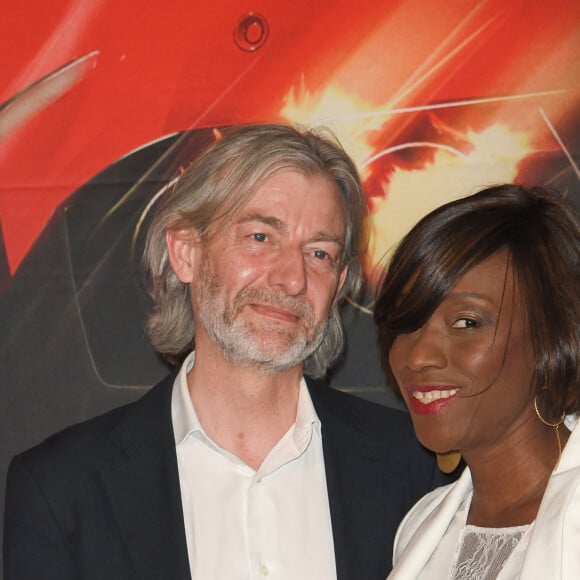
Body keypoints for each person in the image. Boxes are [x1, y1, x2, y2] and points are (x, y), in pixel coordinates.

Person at [4, 123, 444, 580]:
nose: (292, 279)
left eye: (319, 254)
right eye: (260, 237)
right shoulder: (64, 490)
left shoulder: (415, 470)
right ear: (186, 252)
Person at [374, 184, 580, 579]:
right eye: (409, 321)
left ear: (550, 338)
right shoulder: (420, 525)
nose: (418, 356)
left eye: (467, 322)